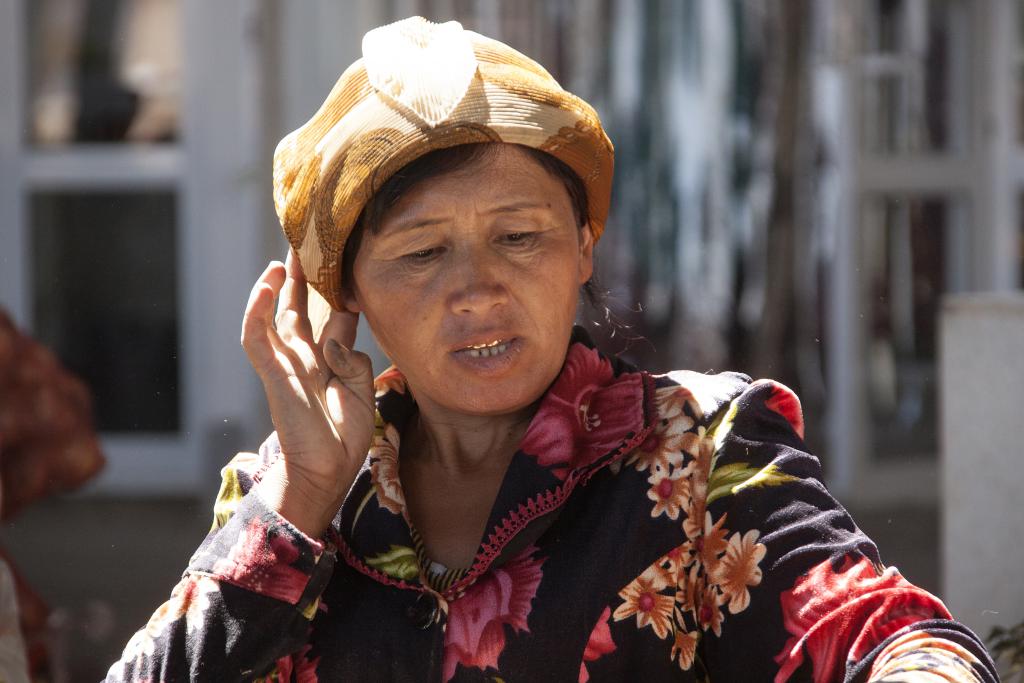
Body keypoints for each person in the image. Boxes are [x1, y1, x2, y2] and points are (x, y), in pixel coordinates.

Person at [106, 17, 998, 683]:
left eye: (520, 236)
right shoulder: (285, 501)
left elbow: (880, 633)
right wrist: (302, 493)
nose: (478, 288)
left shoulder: (702, 451)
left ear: (584, 247)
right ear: (344, 295)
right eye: (421, 253)